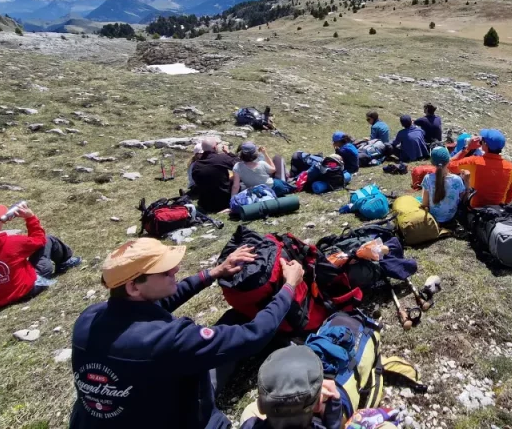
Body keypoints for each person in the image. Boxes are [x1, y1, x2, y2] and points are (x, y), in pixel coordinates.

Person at [70, 238, 304, 429]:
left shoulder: (89, 318)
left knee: (232, 320)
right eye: (164, 272)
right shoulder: (169, 339)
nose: (175, 270)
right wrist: (288, 287)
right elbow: (253, 335)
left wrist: (214, 273)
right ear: (133, 286)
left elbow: (159, 303)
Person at [0, 203, 80, 311]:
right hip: (22, 292)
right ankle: (64, 263)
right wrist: (30, 217)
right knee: (48, 240)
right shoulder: (11, 243)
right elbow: (39, 240)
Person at [240, 345, 343, 429]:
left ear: (261, 406)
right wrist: (335, 403)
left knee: (249, 410)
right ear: (318, 406)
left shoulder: (250, 425)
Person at [449, 129, 512, 209]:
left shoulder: (474, 162)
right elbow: (510, 193)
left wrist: (467, 147)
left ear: (485, 145)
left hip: (474, 209)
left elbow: (449, 165)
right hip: (497, 211)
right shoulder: (511, 168)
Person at [189, 137, 239, 213]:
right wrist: (228, 152)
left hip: (205, 205)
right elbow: (239, 164)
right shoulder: (221, 158)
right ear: (215, 147)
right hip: (224, 202)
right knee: (239, 181)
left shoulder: (196, 166)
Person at [420, 147, 466, 225]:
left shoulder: (428, 178)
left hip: (434, 217)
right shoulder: (457, 179)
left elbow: (425, 204)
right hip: (451, 217)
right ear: (448, 161)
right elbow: (461, 199)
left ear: (432, 163)